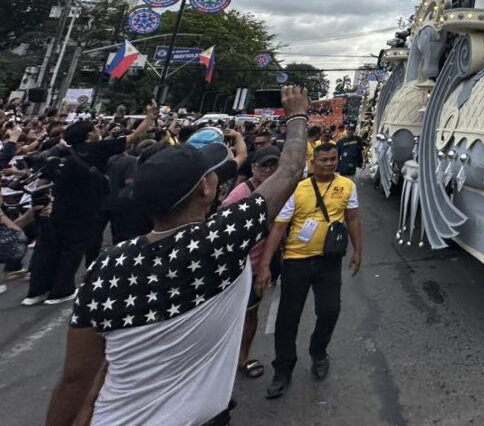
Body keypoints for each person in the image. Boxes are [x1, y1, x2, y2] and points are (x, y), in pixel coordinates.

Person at [44, 87, 311, 426]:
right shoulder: (219, 242)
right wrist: (298, 116)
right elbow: (289, 172)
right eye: (211, 173)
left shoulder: (107, 265)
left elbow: (76, 378)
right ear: (205, 189)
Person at [257, 142, 364, 399]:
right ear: (312, 163)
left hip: (329, 261)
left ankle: (319, 353)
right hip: (296, 260)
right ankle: (283, 369)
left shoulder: (347, 186)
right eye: (323, 160)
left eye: (333, 159)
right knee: (287, 318)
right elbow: (279, 228)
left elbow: (352, 218)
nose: (329, 163)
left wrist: (358, 250)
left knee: (330, 311)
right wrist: (264, 265)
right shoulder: (297, 189)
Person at [24, 105, 157, 306]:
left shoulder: (61, 153)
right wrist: (150, 116)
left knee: (49, 248)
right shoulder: (97, 150)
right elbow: (133, 137)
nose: (98, 132)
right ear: (87, 136)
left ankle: (37, 291)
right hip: (84, 208)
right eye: (94, 130)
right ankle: (61, 290)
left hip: (56, 207)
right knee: (73, 249)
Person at [222, 145, 281, 381]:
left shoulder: (281, 191)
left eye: (273, 165)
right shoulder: (239, 194)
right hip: (236, 269)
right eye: (263, 165)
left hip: (260, 265)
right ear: (253, 168)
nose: (268, 170)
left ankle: (243, 357)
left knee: (251, 314)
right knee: (228, 318)